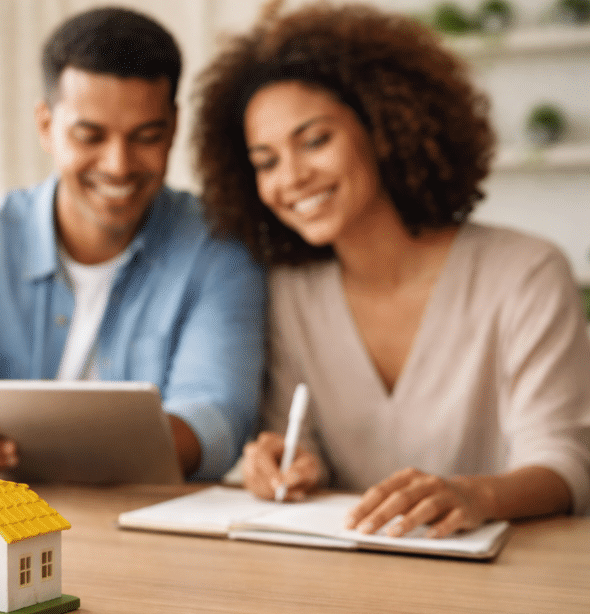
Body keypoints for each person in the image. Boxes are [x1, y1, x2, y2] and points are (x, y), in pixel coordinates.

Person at [193, 2, 590, 537]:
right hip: (354, 580)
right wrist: (287, 464)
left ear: (382, 129)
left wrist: (476, 495)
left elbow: (567, 465)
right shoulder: (291, 293)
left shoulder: (525, 273)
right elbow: (301, 442)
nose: (292, 178)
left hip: (506, 582)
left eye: (315, 140)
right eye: (266, 162)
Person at [0, 7, 266, 484]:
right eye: (90, 136)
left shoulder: (218, 248)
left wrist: (30, 452)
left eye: (146, 137)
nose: (118, 165)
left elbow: (218, 419)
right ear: (46, 124)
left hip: (140, 530)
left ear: (173, 127)